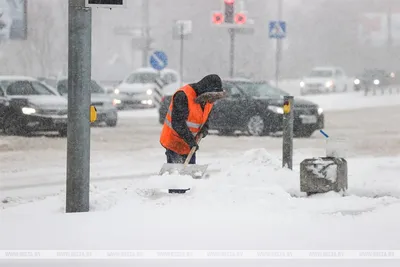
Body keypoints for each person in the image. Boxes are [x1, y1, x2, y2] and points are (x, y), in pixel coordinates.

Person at [160, 74, 226, 164]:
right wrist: (191, 141)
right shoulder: (183, 95)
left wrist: (204, 130)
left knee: (189, 174)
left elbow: (205, 119)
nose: (213, 101)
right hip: (174, 142)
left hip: (189, 144)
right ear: (205, 93)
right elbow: (178, 123)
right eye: (212, 97)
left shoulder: (208, 101)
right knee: (175, 173)